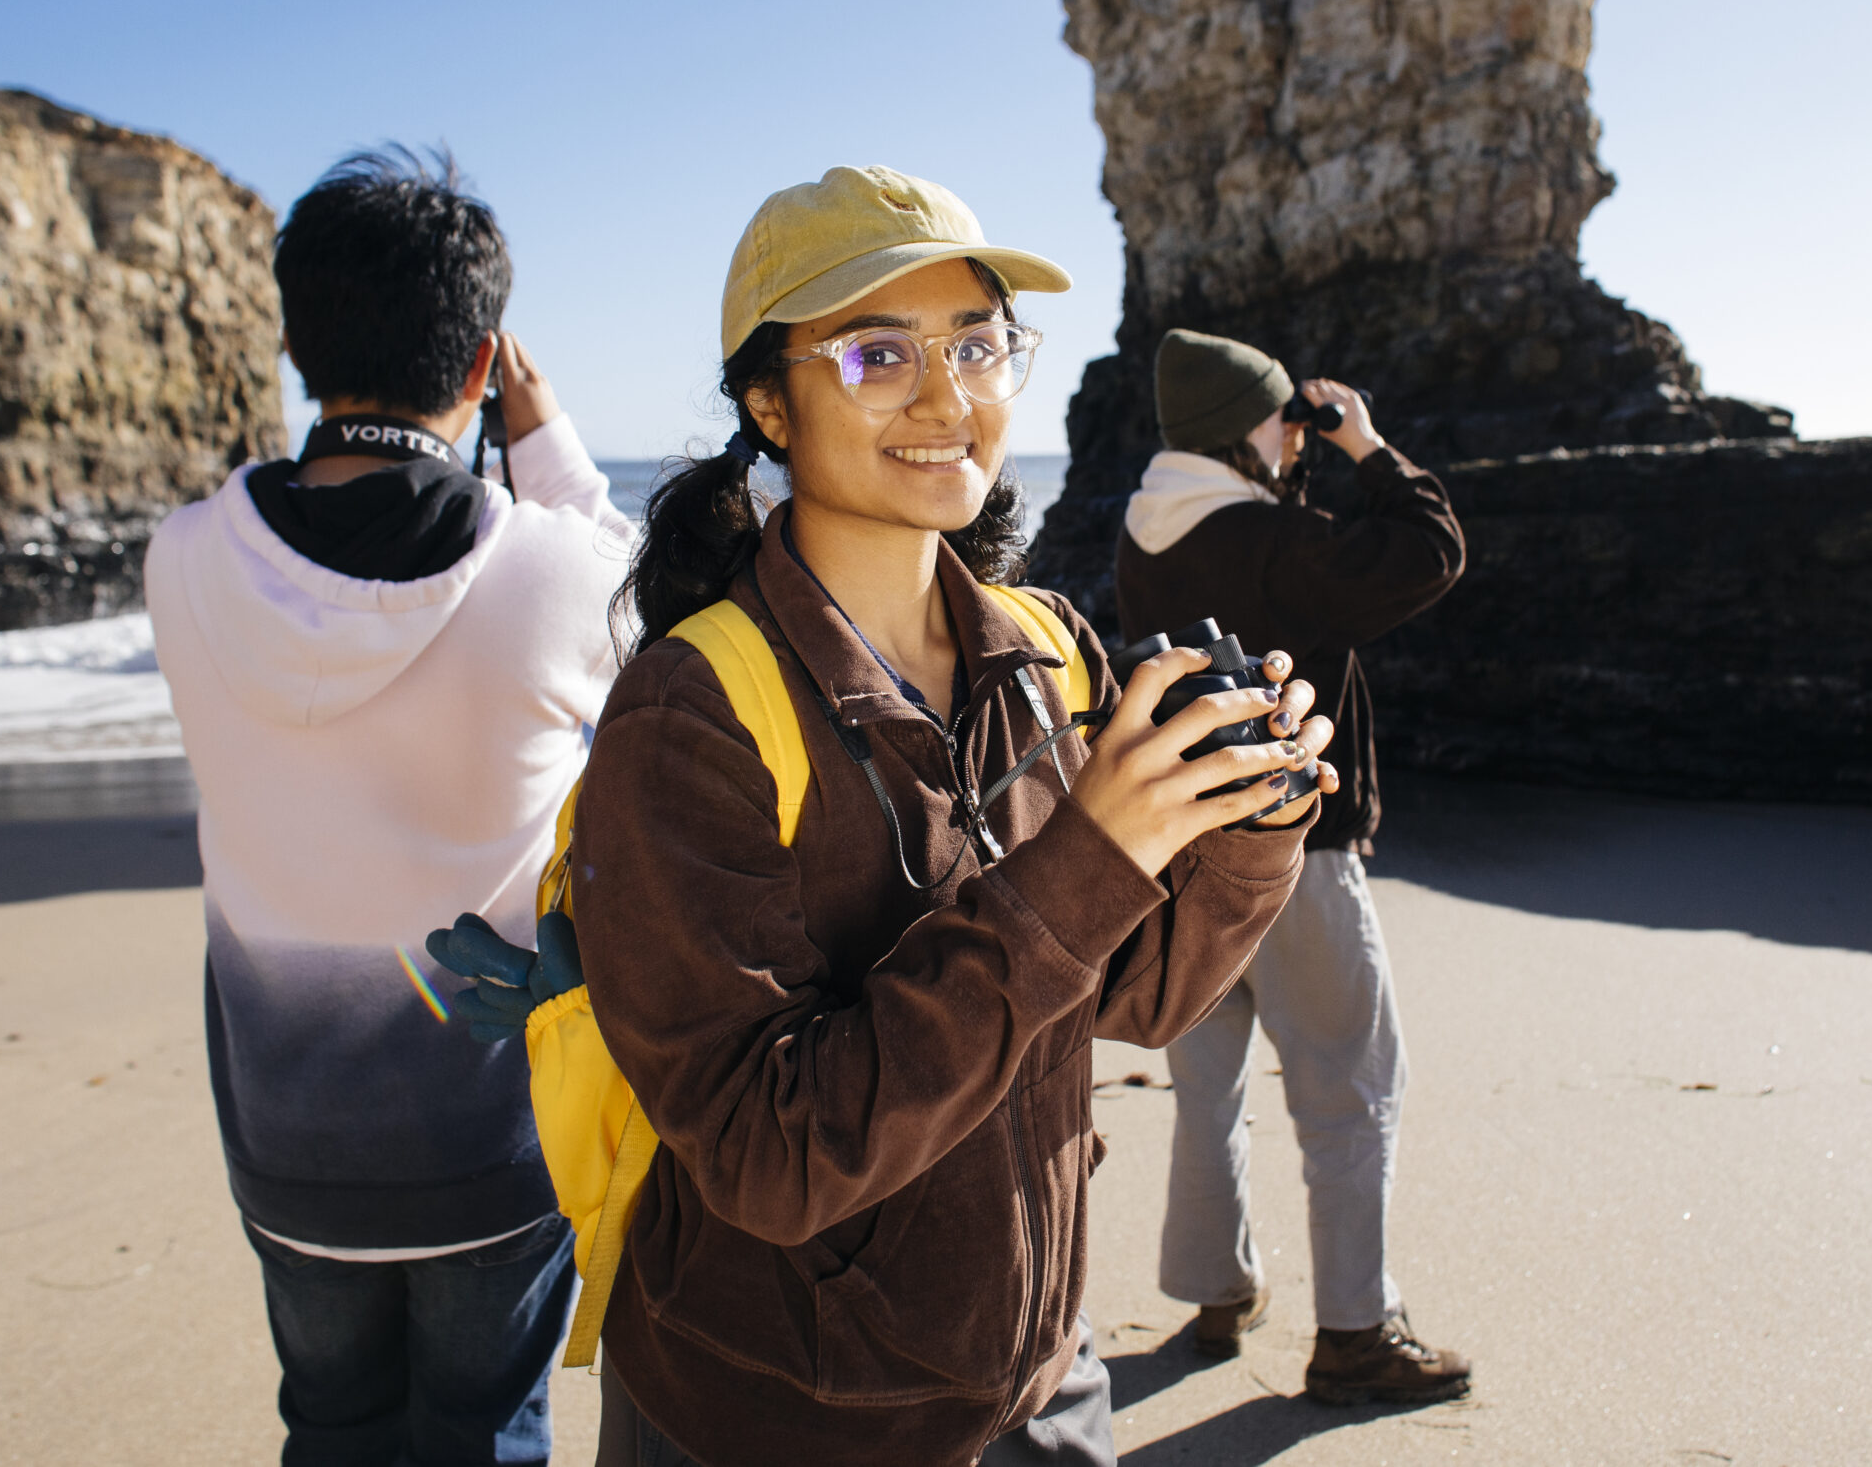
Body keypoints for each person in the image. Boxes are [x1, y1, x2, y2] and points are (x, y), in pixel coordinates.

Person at [570, 165, 1340, 1466]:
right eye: (878, 352)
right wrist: (1084, 861)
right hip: (776, 1415)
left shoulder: (1046, 647)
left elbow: (1139, 998)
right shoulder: (689, 712)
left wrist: (1248, 828)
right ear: (769, 399)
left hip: (1040, 1377)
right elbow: (770, 1156)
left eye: (978, 345)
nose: (948, 397)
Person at [146, 148, 634, 1465]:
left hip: (285, 1133)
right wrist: (541, 437)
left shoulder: (182, 563)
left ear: (297, 344)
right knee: (484, 1433)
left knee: (333, 1427)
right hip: (492, 1138)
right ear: (481, 364)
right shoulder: (559, 571)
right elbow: (666, 638)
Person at [1115, 328, 1471, 1405]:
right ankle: (1356, 1334)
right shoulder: (1271, 540)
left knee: (1207, 1083)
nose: (1293, 434)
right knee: (1351, 1090)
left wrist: (1289, 464)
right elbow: (1428, 553)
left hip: (1178, 856)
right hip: (1294, 856)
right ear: (1239, 430)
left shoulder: (1144, 533)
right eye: (1280, 418)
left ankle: (1215, 1288)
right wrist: (1366, 447)